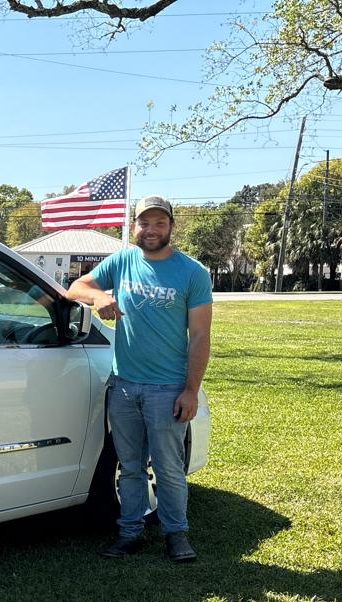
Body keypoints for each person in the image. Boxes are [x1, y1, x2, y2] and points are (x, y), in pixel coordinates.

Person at [66, 195, 213, 563]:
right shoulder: (123, 261)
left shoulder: (192, 272)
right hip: (124, 386)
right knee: (130, 467)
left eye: (159, 223)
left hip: (168, 389)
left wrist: (191, 390)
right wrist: (98, 296)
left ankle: (176, 534)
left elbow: (200, 336)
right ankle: (129, 532)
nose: (151, 230)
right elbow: (75, 287)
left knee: (168, 467)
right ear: (134, 226)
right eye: (144, 223)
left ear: (171, 227)